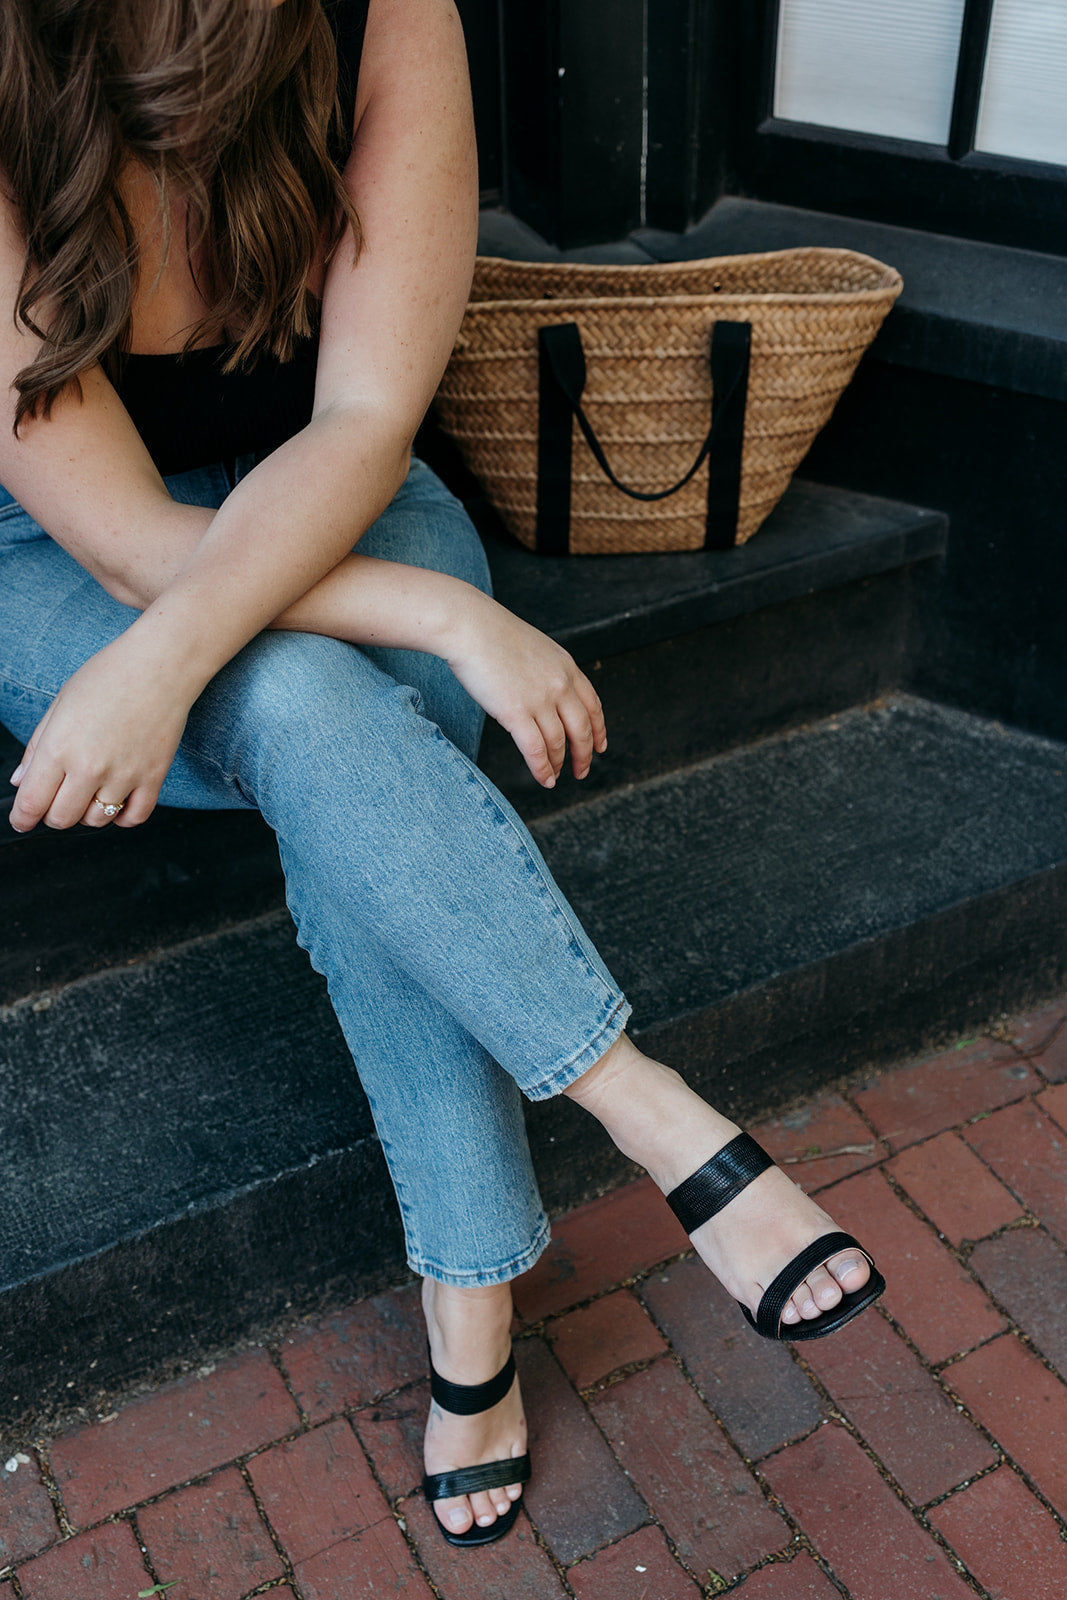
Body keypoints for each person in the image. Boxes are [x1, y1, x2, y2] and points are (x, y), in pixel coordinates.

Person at [0, 0, 884, 1550]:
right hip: (58, 542)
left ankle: (473, 1308)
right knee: (308, 702)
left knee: (333, 719)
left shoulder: (380, 8)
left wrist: (195, 649)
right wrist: (441, 610)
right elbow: (129, 541)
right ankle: (656, 1124)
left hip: (332, 488)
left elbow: (359, 413)